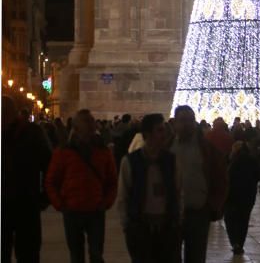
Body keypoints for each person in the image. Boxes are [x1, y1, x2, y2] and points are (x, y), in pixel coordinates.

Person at [45, 108, 118, 263]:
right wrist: (60, 204)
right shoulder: (64, 152)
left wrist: (106, 203)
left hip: (95, 210)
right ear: (76, 128)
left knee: (96, 254)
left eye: (91, 122)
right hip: (72, 210)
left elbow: (112, 181)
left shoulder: (103, 151)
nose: (90, 126)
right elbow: (51, 181)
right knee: (76, 255)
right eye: (86, 122)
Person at [118, 113, 181, 262]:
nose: (164, 134)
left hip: (167, 228)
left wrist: (177, 220)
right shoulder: (130, 162)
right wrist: (127, 225)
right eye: (159, 130)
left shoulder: (171, 161)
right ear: (147, 134)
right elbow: (123, 195)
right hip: (140, 228)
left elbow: (179, 192)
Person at [170, 105, 227, 263]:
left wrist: (213, 205)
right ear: (175, 123)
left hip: (198, 212)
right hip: (172, 214)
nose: (187, 125)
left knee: (196, 256)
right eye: (183, 121)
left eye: (190, 120)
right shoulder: (168, 148)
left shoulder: (206, 149)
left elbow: (220, 178)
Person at [1, 95, 51, 263]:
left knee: (28, 253)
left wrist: (45, 197)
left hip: (26, 203)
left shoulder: (31, 132)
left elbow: (48, 165)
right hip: (24, 202)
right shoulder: (32, 132)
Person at [224, 141, 260, 255]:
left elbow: (227, 177)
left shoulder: (232, 161)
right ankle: (240, 243)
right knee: (243, 221)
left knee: (230, 219)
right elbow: (258, 176)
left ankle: (234, 242)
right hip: (248, 195)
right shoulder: (252, 160)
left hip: (233, 195)